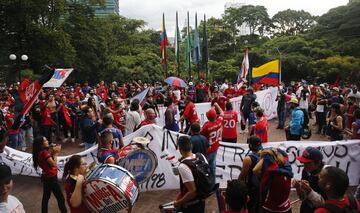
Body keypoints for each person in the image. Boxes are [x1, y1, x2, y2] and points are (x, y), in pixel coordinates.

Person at [32, 136, 67, 213]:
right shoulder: (44, 153)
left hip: (46, 177)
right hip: (51, 178)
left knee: (46, 197)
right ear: (41, 144)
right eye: (45, 140)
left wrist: (53, 152)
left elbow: (47, 161)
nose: (47, 141)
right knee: (60, 198)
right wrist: (56, 153)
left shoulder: (39, 152)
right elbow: (53, 164)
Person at [253, 148, 293, 213]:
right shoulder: (287, 168)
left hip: (271, 208)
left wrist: (264, 157)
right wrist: (272, 152)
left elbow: (255, 170)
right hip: (286, 206)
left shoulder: (270, 175)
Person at [174, 136, 206, 213]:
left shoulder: (183, 166)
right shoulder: (201, 156)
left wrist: (178, 202)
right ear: (191, 146)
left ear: (180, 149)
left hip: (190, 205)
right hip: (201, 201)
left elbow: (192, 191)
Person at [294, 147, 327, 213]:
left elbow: (325, 204)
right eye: (304, 162)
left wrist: (309, 191)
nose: (305, 165)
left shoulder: (327, 176)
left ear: (318, 163)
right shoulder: (306, 171)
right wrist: (299, 189)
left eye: (308, 163)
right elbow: (302, 198)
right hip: (306, 209)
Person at [238, 135, 262, 213]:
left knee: (250, 207)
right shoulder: (264, 154)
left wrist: (237, 185)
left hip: (251, 187)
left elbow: (243, 175)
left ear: (250, 145)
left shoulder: (248, 159)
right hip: (261, 184)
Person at [200, 103, 224, 177]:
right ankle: (213, 182)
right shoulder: (219, 121)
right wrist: (217, 105)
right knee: (213, 165)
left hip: (208, 149)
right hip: (215, 146)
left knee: (206, 167)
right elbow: (222, 113)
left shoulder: (206, 126)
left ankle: (208, 183)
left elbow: (200, 134)